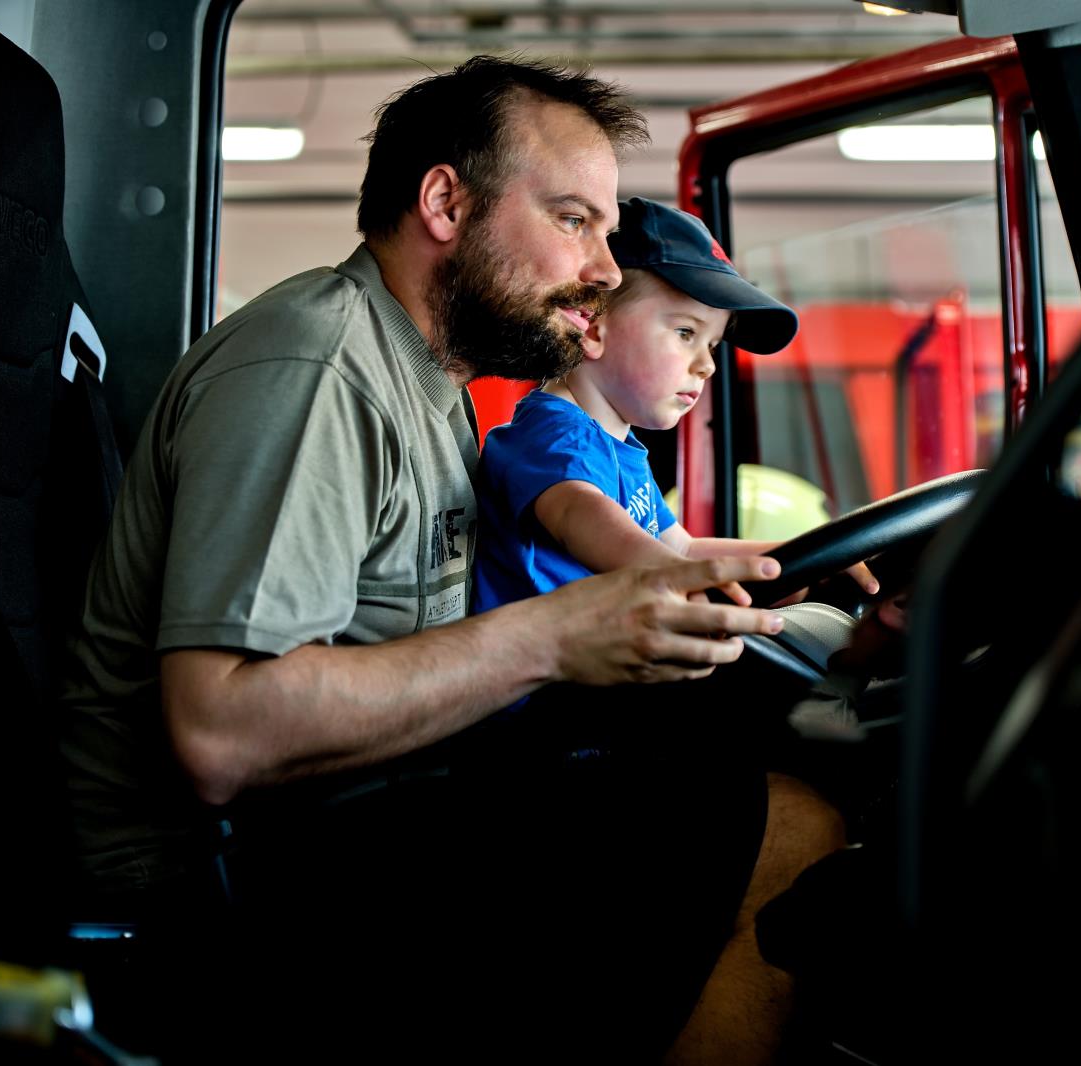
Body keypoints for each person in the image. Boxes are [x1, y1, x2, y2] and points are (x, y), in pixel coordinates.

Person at [58, 57, 844, 1063]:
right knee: (787, 828)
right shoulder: (317, 370)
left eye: (607, 233)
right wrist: (553, 639)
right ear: (444, 202)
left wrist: (785, 578)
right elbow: (221, 733)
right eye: (573, 221)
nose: (605, 268)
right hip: (233, 891)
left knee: (723, 785)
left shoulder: (430, 388)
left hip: (357, 822)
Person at [473, 196, 877, 616]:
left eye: (713, 345)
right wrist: (676, 579)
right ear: (592, 327)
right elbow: (579, 516)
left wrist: (800, 558)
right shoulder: (554, 435)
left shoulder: (619, 445)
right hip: (546, 676)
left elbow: (681, 546)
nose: (707, 366)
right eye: (686, 332)